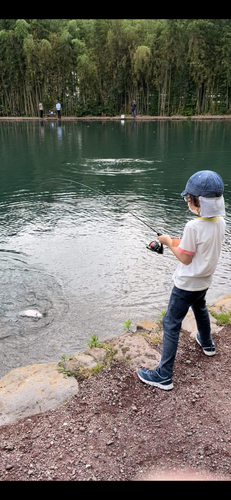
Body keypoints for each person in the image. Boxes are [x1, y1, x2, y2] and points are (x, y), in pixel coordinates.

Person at [137, 170, 226, 391]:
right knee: (200, 309)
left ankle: (163, 375)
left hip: (185, 285)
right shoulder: (221, 222)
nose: (187, 201)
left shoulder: (193, 226)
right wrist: (172, 240)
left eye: (188, 198)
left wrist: (167, 243)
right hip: (204, 281)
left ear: (197, 201)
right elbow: (194, 244)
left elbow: (186, 258)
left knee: (171, 323)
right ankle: (207, 344)